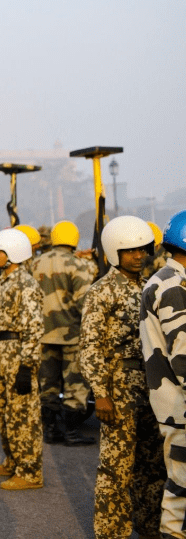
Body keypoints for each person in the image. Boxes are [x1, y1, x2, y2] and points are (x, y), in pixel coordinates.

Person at [80, 216, 164, 538]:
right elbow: (89, 347)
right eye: (130, 251)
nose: (138, 256)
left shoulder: (150, 288)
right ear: (115, 252)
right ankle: (112, 532)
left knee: (152, 465)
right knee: (116, 470)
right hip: (118, 391)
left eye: (142, 250)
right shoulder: (101, 292)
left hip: (151, 388)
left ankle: (149, 525)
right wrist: (101, 392)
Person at [0, 229, 44, 490]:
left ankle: (30, 471)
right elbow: (10, 317)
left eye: (0, 251)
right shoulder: (5, 281)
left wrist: (27, 365)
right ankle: (12, 460)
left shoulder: (26, 284)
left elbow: (33, 327)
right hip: (2, 351)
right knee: (6, 410)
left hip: (18, 354)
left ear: (14, 254)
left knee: (24, 414)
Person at [140, 209, 186, 539]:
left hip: (171, 402)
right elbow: (184, 355)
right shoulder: (174, 287)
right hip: (180, 407)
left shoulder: (162, 279)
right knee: (181, 489)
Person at [31, 220, 97, 445]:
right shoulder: (77, 265)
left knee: (47, 384)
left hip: (43, 334)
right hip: (71, 335)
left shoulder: (36, 262)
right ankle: (71, 432)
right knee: (75, 384)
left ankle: (50, 430)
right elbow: (85, 302)